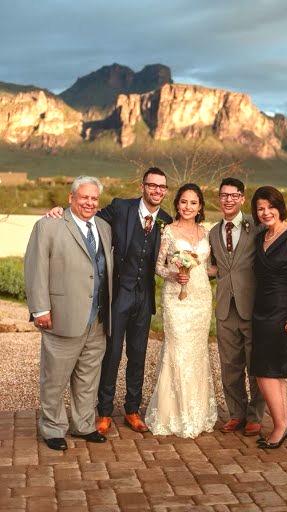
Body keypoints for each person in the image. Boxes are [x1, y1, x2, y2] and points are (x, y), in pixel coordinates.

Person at [46, 167, 172, 433]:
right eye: (152, 185)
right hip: (118, 295)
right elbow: (83, 217)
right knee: (111, 355)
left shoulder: (167, 221)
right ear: (143, 187)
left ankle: (132, 410)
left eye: (162, 187)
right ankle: (103, 412)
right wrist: (59, 211)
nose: (157, 190)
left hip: (144, 297)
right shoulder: (120, 208)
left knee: (137, 355)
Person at [24, 176, 113, 451]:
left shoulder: (104, 227)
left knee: (88, 378)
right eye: (84, 197)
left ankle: (83, 425)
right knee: (54, 378)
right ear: (71, 198)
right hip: (62, 316)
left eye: (94, 199)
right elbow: (35, 268)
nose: (89, 202)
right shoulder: (48, 225)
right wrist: (40, 309)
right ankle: (52, 429)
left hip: (97, 318)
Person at [145, 183, 217, 438]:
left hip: (201, 299)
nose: (188, 207)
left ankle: (196, 412)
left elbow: (210, 268)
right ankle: (173, 413)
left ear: (200, 207)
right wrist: (175, 275)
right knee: (177, 350)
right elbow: (158, 266)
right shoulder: (169, 231)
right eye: (184, 202)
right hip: (176, 299)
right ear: (177, 204)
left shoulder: (206, 233)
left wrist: (211, 272)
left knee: (197, 352)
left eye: (193, 203)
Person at [250, 186, 287, 449]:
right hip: (261, 309)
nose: (265, 212)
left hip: (283, 312)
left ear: (279, 206)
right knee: (274, 372)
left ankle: (280, 426)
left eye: (270, 207)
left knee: (264, 372)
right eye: (260, 208)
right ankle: (283, 422)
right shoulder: (261, 236)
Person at [209, 177, 265, 436]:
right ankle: (236, 414)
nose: (228, 199)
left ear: (242, 198)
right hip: (224, 308)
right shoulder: (212, 232)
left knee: (255, 364)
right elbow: (213, 267)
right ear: (219, 198)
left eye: (233, 195)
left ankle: (255, 416)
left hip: (252, 307)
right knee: (229, 365)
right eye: (224, 195)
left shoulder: (257, 227)